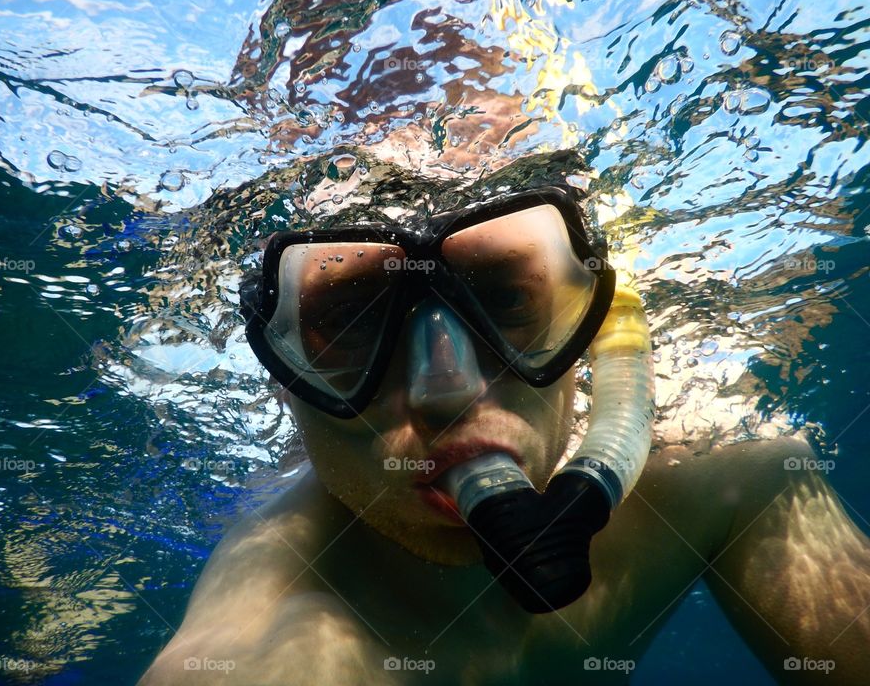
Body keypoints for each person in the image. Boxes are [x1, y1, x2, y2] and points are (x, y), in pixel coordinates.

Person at [139, 150, 870, 686]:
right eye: (354, 321)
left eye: (508, 300)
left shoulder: (721, 467)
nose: (446, 391)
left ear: (589, 326)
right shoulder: (278, 645)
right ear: (281, 378)